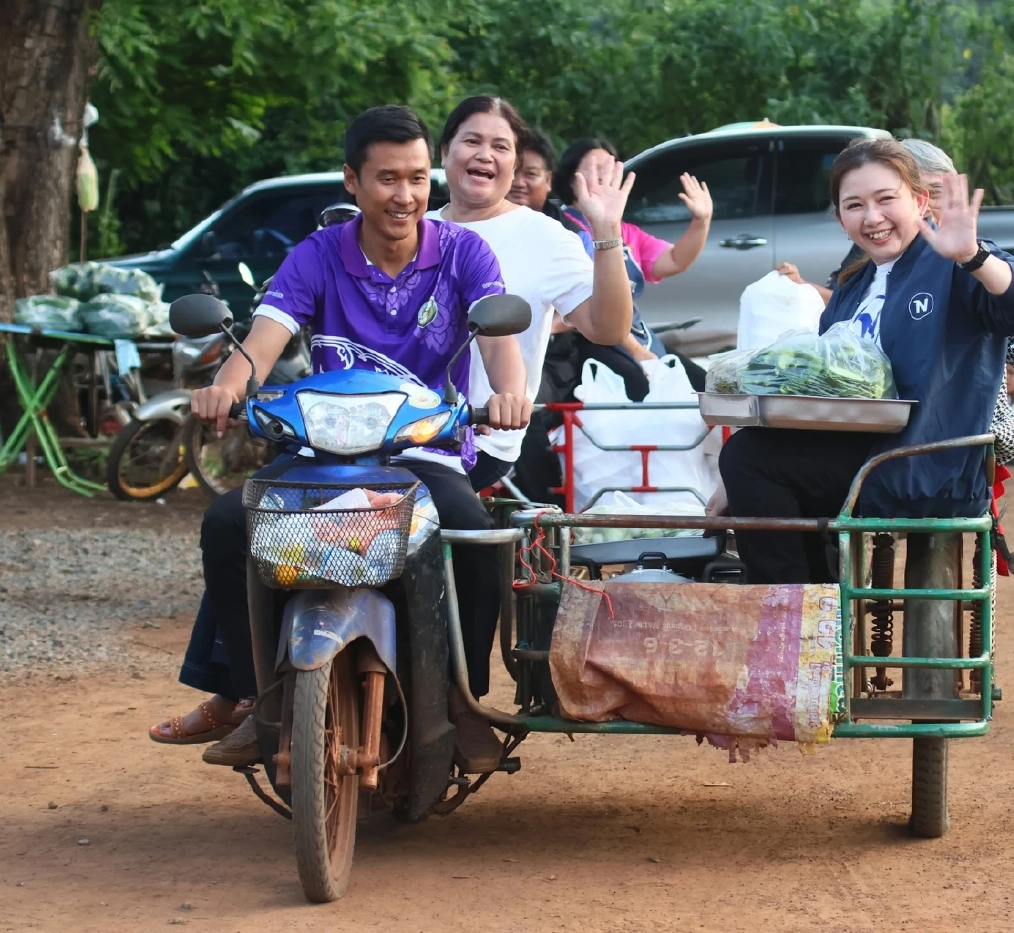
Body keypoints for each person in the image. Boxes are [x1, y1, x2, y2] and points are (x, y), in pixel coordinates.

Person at [151, 105, 535, 773]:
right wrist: (226, 386)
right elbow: (261, 344)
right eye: (387, 179)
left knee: (473, 533)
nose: (406, 196)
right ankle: (255, 696)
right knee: (226, 523)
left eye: (418, 178)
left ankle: (461, 699)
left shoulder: (465, 254)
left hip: (422, 453)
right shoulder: (318, 255)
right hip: (322, 454)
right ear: (351, 182)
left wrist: (508, 394)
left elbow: (500, 346)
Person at [718, 139, 1014, 584]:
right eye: (854, 205)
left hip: (930, 463)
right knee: (748, 456)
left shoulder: (954, 262)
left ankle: (794, 613)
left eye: (886, 200)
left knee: (750, 460)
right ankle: (814, 614)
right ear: (841, 220)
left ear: (919, 201)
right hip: (860, 456)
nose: (872, 217)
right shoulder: (853, 285)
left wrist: (974, 257)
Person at [776, 138, 1014, 465]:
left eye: (941, 194)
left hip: (953, 444)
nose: (936, 207)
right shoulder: (868, 255)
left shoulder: (970, 264)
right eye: (926, 193)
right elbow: (845, 324)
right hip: (867, 435)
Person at [425, 97, 635, 494]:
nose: (485, 155)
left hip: (481, 439)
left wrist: (607, 230)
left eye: (501, 147)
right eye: (472, 141)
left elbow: (608, 329)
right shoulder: (415, 229)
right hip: (396, 430)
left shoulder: (545, 236)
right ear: (444, 151)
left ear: (515, 163)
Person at [553, 137, 712, 399]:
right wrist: (637, 353)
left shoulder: (626, 231)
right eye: (595, 168)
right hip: (592, 339)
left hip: (637, 333)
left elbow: (674, 261)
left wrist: (701, 220)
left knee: (705, 387)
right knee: (645, 389)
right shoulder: (564, 228)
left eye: (611, 167)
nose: (605, 175)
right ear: (571, 179)